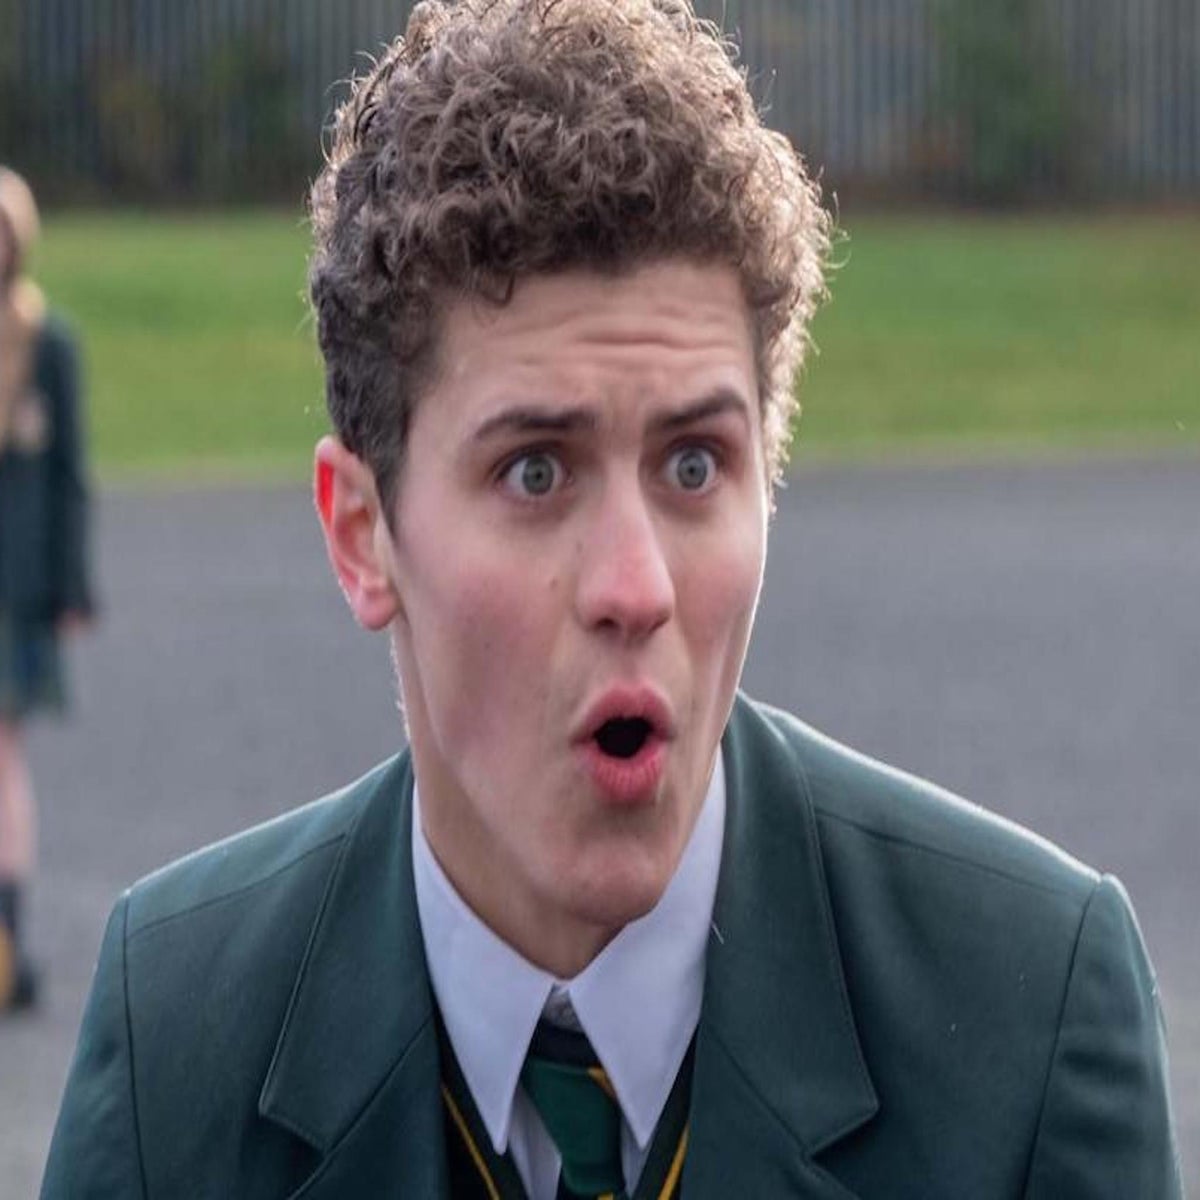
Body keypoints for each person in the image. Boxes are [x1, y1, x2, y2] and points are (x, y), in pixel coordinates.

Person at [42, 1, 1180, 1196]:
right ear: (363, 535)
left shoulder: (1032, 1018)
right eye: (535, 472)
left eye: (694, 465)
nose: (636, 588)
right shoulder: (177, 1042)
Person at [0, 167, 94, 1014]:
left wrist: (70, 585)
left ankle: (6, 943)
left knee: (4, 759)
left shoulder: (49, 345)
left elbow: (69, 474)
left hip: (16, 590)